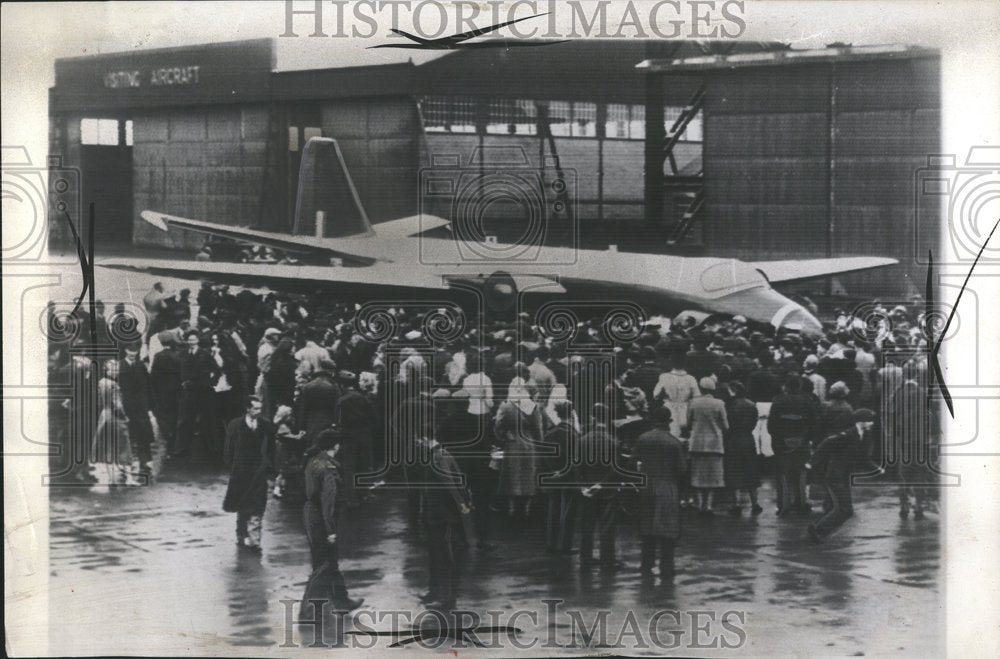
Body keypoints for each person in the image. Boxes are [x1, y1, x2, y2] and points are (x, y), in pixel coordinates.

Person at [301, 426, 364, 616]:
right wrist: (331, 530)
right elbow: (328, 502)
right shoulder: (329, 468)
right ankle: (308, 610)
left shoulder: (313, 461)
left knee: (329, 562)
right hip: (322, 518)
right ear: (335, 446)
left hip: (311, 514)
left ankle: (341, 601)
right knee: (324, 564)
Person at [806, 409, 883, 541]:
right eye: (869, 421)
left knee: (843, 509)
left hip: (843, 476)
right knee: (844, 509)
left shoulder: (864, 436)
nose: (871, 423)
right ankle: (817, 530)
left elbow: (864, 458)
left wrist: (877, 469)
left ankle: (818, 530)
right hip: (835, 475)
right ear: (861, 422)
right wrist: (812, 462)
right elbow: (826, 444)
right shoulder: (848, 435)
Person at [418, 432, 473, 611]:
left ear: (426, 439)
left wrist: (461, 504)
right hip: (439, 511)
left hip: (442, 512)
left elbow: (449, 482)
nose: (418, 444)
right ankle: (435, 592)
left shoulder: (438, 457)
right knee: (436, 553)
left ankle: (445, 597)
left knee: (442, 555)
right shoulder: (441, 454)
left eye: (419, 441)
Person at [635, 407, 686, 578]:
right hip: (667, 486)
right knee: (668, 529)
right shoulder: (673, 442)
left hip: (647, 485)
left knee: (647, 527)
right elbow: (681, 469)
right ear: (669, 422)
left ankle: (646, 564)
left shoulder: (643, 438)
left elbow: (633, 460)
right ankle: (667, 567)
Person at [222, 397, 275, 552]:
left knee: (258, 505)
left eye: (260, 408)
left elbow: (271, 449)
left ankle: (254, 540)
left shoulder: (266, 425)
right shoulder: (235, 425)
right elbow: (228, 449)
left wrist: (270, 468)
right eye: (256, 408)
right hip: (240, 472)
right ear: (248, 409)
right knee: (242, 505)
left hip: (259, 472)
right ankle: (241, 534)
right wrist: (232, 467)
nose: (259, 411)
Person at [578, 403, 623, 570]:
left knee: (587, 526)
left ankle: (586, 557)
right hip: (607, 491)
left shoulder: (582, 441)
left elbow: (577, 467)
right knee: (607, 526)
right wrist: (602, 484)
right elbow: (616, 469)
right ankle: (608, 559)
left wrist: (583, 486)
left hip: (587, 490)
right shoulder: (613, 442)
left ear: (593, 418)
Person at [494, 376, 544, 518]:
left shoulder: (506, 405)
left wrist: (503, 437)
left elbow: (498, 427)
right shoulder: (532, 406)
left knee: (512, 475)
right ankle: (526, 508)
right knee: (528, 475)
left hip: (512, 444)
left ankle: (512, 508)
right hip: (529, 444)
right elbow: (538, 429)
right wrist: (539, 444)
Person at [769, 375, 819, 515]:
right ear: (800, 386)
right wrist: (806, 438)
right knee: (801, 474)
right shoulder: (807, 401)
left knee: (783, 475)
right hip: (802, 442)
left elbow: (772, 424)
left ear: (787, 386)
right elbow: (815, 423)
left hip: (782, 443)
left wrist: (779, 440)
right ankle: (801, 503)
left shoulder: (778, 401)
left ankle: (784, 506)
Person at [334, 370, 379, 507]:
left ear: (342, 385)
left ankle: (351, 498)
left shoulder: (341, 401)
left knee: (349, 467)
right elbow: (375, 417)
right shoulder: (362, 398)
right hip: (364, 435)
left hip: (348, 436)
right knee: (364, 465)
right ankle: (364, 494)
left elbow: (338, 421)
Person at [541, 399, 579, 555]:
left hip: (552, 474)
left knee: (553, 510)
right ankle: (565, 545)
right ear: (571, 413)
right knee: (568, 511)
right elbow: (576, 458)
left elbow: (543, 456)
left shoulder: (550, 433)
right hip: (569, 475)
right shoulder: (572, 434)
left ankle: (551, 543)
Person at [686, 377, 728, 515]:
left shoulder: (693, 403)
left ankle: (699, 504)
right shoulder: (719, 403)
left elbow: (688, 422)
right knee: (713, 475)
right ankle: (709, 505)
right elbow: (725, 425)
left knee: (697, 474)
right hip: (714, 443)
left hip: (697, 442)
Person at [176, 330, 221, 459]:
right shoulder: (183, 354)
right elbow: (180, 371)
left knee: (208, 420)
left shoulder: (205, 354)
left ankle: (212, 448)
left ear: (198, 341)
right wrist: (183, 382)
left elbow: (216, 370)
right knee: (185, 420)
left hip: (203, 391)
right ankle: (182, 448)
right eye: (189, 340)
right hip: (189, 392)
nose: (191, 342)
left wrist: (210, 383)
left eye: (194, 340)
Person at [93, 360, 135, 485]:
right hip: (116, 418)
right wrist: (125, 416)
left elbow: (98, 402)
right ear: (107, 370)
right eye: (113, 370)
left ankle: (112, 480)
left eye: (117, 370)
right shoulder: (114, 385)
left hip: (104, 416)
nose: (116, 372)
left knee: (108, 448)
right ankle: (129, 479)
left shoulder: (100, 382)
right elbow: (118, 405)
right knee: (124, 447)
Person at [723, 381, 763, 515]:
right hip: (748, 439)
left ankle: (736, 504)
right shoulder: (752, 405)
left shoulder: (730, 405)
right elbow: (754, 422)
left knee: (734, 471)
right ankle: (755, 502)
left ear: (734, 391)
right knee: (751, 470)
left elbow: (726, 424)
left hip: (733, 439)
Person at [118, 343, 155, 474]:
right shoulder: (119, 366)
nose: (132, 353)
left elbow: (148, 386)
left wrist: (149, 406)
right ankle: (124, 462)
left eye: (135, 351)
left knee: (143, 434)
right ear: (125, 350)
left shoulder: (141, 366)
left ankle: (146, 461)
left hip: (140, 407)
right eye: (130, 350)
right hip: (125, 406)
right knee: (126, 435)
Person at [150, 333, 182, 456]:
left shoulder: (158, 357)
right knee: (173, 415)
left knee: (162, 414)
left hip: (161, 393)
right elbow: (180, 375)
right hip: (174, 392)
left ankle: (167, 433)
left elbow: (153, 376)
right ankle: (172, 439)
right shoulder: (177, 357)